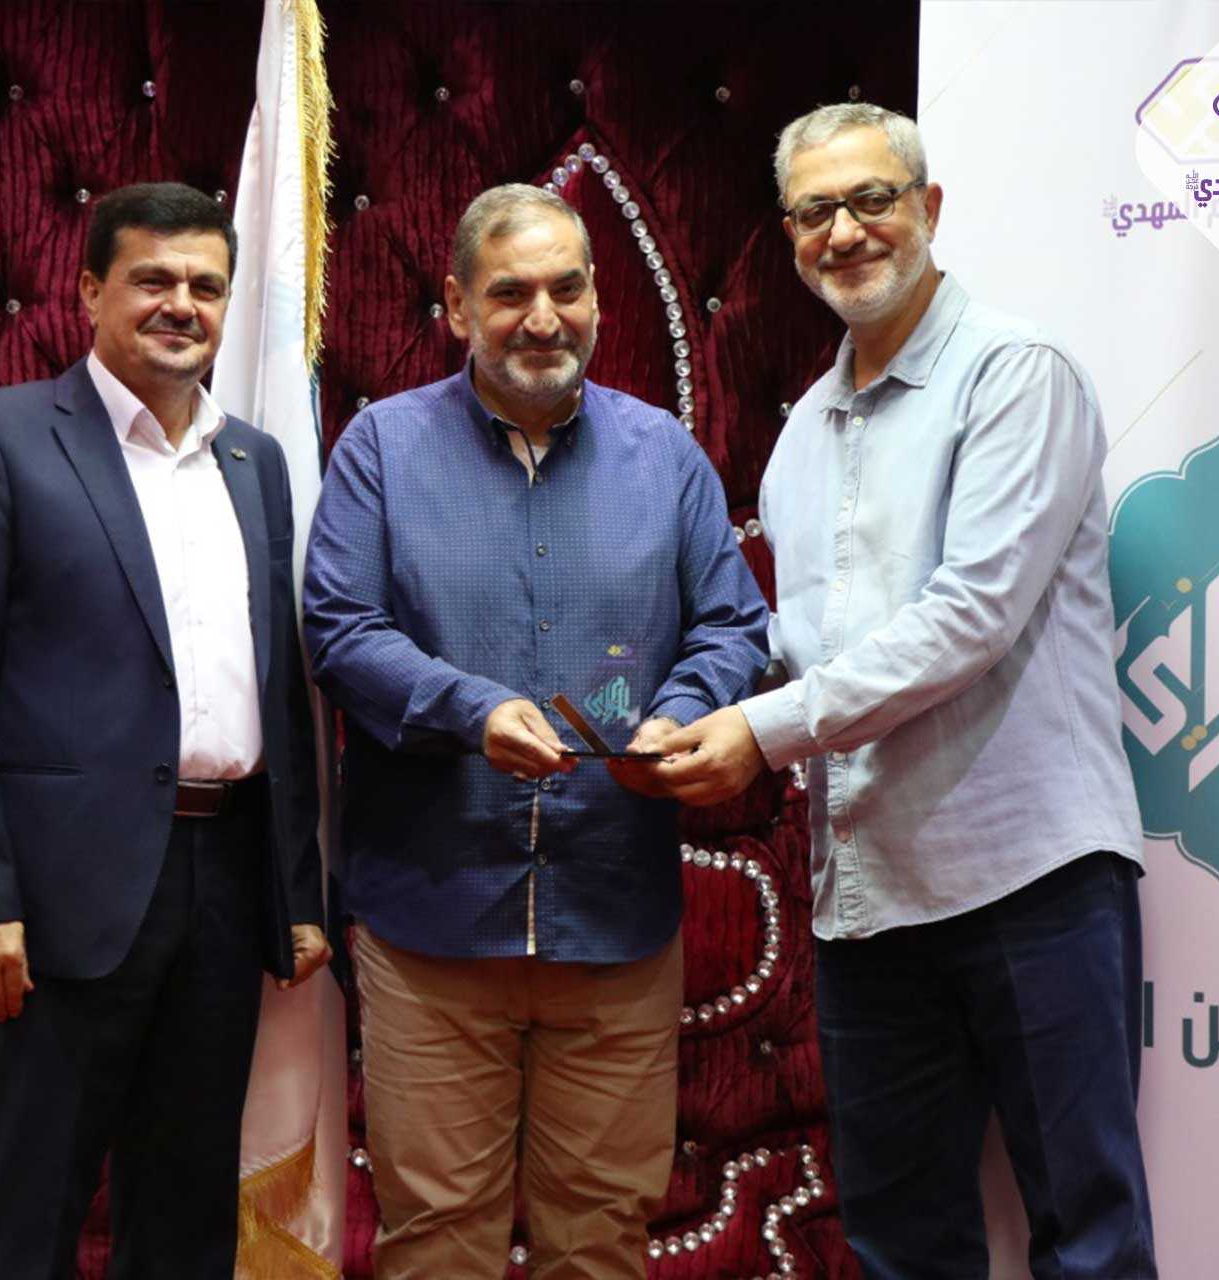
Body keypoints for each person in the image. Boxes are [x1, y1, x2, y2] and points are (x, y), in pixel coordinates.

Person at [655, 104, 1158, 1278]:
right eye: (814, 211)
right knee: (899, 1243)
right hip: (869, 898)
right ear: (791, 237)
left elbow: (969, 616)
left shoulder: (1016, 374)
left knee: (1088, 1233)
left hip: (1028, 873)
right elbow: (800, 644)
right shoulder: (802, 434)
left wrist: (760, 731)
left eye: (872, 199)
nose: (845, 232)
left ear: (929, 208)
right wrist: (680, 702)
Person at [303, 184, 767, 1277]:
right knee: (437, 1240)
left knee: (601, 1237)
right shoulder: (382, 447)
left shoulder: (663, 453)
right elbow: (339, 629)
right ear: (458, 306)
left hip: (615, 919)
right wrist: (470, 711)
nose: (543, 317)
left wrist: (680, 713)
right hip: (432, 923)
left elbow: (732, 624)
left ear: (599, 296)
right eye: (510, 293)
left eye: (567, 288)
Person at [0, 182, 330, 1280]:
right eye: (153, 280)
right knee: (22, 1220)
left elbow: (275, 686)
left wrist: (295, 894)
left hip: (224, 887)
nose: (182, 304)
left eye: (206, 286)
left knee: (186, 1221)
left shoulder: (257, 462)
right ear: (90, 291)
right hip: (55, 903)